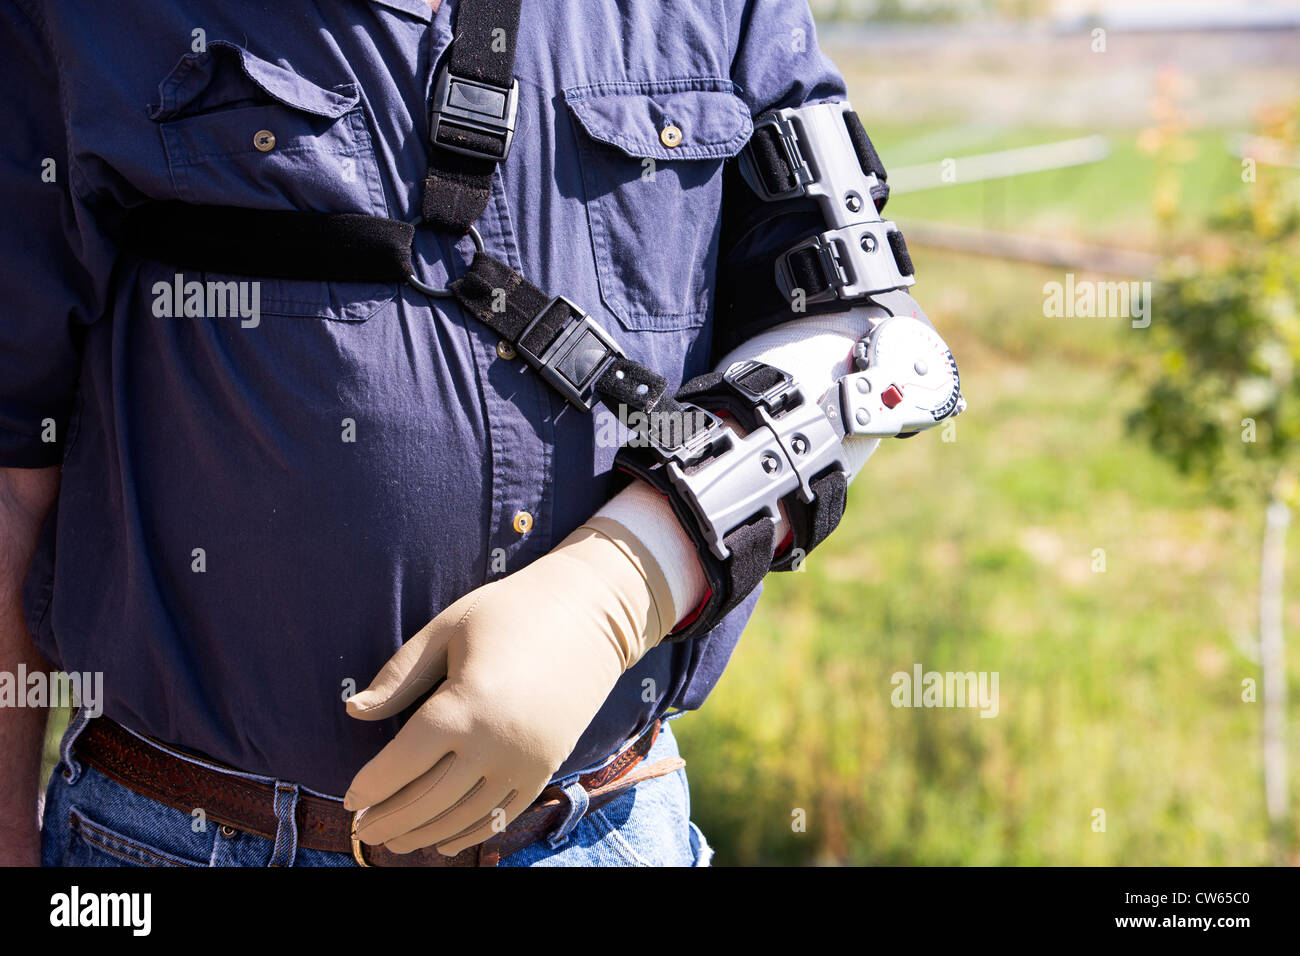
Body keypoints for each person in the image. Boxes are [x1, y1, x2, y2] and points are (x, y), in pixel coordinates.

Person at [0, 0, 960, 867]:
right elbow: (9, 476)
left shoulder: (721, 10)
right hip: (171, 840)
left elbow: (877, 356)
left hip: (602, 830)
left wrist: (614, 591)